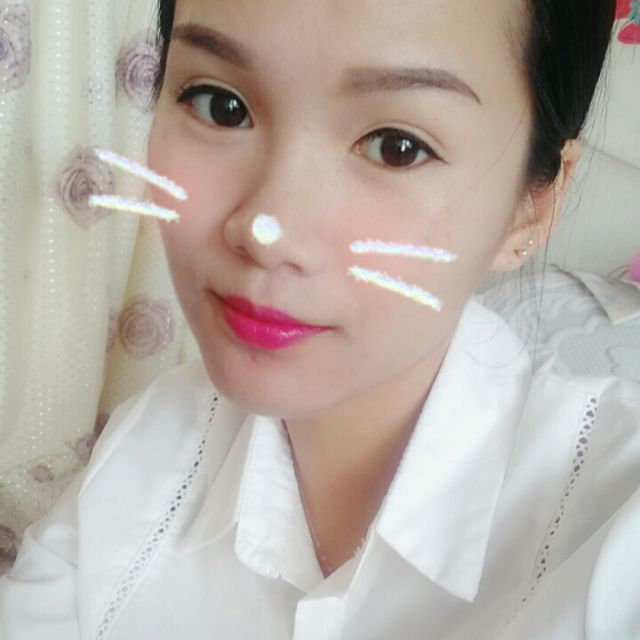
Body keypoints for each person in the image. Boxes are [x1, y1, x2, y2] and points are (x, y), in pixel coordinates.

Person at [2, 0, 639, 638]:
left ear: (533, 205)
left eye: (396, 148)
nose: (266, 231)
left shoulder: (610, 529)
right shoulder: (144, 451)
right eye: (220, 105)